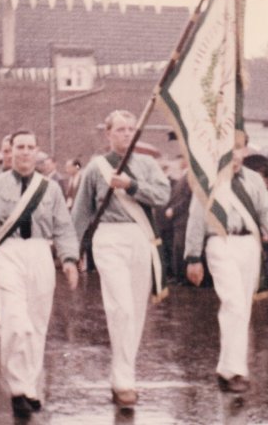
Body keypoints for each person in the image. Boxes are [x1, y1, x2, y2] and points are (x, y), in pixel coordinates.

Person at [0, 130, 79, 418]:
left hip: (40, 252)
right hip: (7, 253)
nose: (25, 152)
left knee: (37, 326)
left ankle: (29, 386)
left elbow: (64, 226)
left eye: (30, 147)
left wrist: (69, 259)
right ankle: (17, 388)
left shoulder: (50, 188)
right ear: (11, 151)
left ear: (37, 151)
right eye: (20, 147)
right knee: (16, 324)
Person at [71, 110, 171, 407]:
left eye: (131, 129)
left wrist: (132, 186)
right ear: (108, 134)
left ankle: (123, 373)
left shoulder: (148, 164)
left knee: (136, 311)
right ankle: (123, 377)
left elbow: (163, 195)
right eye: (120, 129)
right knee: (122, 308)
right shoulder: (95, 168)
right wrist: (72, 251)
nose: (126, 134)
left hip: (140, 236)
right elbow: (81, 212)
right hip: (108, 237)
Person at [184, 129, 268, 393]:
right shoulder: (208, 179)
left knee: (242, 307)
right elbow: (196, 218)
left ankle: (227, 367)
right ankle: (236, 370)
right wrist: (193, 256)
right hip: (220, 242)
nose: (236, 155)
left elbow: (267, 210)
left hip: (249, 244)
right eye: (229, 149)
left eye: (240, 148)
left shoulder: (253, 179)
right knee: (233, 303)